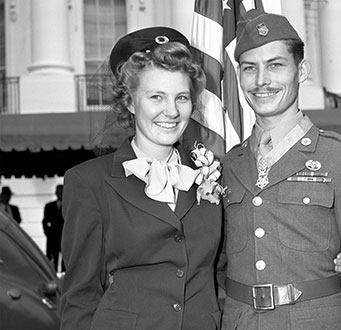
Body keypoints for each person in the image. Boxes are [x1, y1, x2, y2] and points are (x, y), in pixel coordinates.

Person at [219, 9, 341, 330]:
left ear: (302, 71)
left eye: (275, 65)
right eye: (249, 69)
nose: (261, 81)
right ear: (238, 76)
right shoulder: (229, 164)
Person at [60, 27, 225, 330]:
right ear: (131, 103)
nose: (171, 111)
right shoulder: (88, 182)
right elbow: (80, 297)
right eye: (156, 97)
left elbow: (220, 275)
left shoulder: (209, 174)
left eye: (182, 98)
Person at [42, 185, 64, 272]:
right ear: (56, 193)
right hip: (53, 238)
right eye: (59, 192)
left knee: (66, 262)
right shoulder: (49, 206)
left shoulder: (70, 206)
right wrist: (48, 233)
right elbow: (45, 221)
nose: (60, 194)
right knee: (52, 261)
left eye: (62, 192)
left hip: (66, 237)